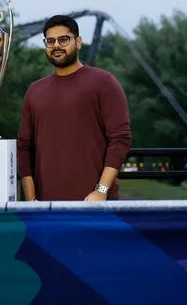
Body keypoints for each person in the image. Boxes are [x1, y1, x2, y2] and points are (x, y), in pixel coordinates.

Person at [18, 15, 131, 201]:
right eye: (50, 41)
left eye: (63, 39)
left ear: (78, 42)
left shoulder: (104, 82)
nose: (56, 46)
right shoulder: (34, 90)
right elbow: (24, 147)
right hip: (45, 206)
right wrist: (30, 200)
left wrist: (101, 191)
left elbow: (120, 139)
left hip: (94, 204)